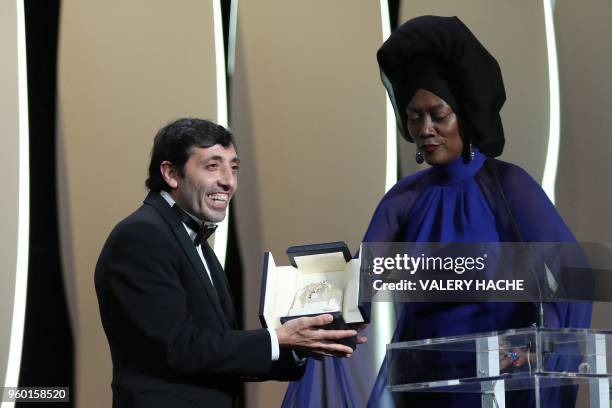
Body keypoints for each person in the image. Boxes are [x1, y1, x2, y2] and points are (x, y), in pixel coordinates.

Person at [283, 16, 591, 407]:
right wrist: (310, 303)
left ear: (464, 113)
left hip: (500, 384)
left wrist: (544, 348)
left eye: (438, 114)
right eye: (414, 117)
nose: (425, 128)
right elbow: (360, 285)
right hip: (422, 382)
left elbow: (574, 272)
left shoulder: (509, 186)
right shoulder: (403, 199)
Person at [95, 118, 364, 408]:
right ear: (171, 173)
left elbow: (218, 349)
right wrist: (279, 339)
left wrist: (304, 344)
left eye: (233, 167)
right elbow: (178, 348)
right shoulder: (142, 236)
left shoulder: (188, 236)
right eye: (212, 166)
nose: (228, 180)